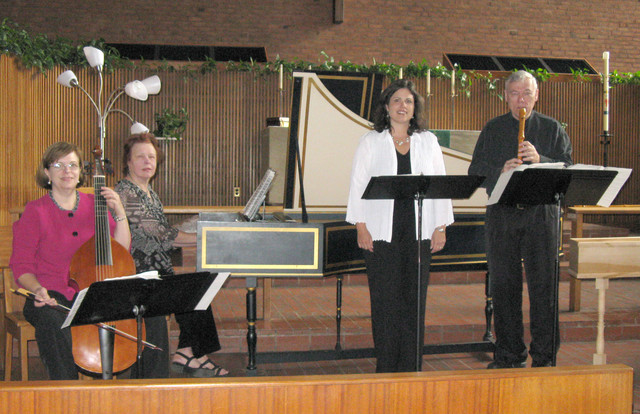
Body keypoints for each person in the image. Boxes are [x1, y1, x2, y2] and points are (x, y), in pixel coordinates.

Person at [346, 79, 454, 373]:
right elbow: (357, 184)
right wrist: (361, 226)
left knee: (414, 301)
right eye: (396, 100)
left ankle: (411, 365)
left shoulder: (428, 141)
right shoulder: (371, 141)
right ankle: (387, 365)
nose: (402, 106)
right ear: (386, 107)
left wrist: (440, 225)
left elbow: (439, 184)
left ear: (414, 107)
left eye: (408, 101)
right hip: (381, 233)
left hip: (419, 231)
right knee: (385, 301)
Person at [468, 70, 573, 369]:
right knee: (504, 287)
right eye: (514, 93)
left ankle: (544, 356)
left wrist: (542, 161)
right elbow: (475, 170)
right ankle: (509, 354)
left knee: (544, 289)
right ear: (506, 96)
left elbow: (568, 168)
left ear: (537, 95)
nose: (521, 100)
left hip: (542, 215)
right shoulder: (493, 128)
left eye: (526, 93)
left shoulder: (552, 129)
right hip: (503, 214)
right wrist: (500, 171)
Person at [10, 142, 131, 380]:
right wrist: (37, 290)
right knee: (52, 319)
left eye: (72, 165)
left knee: (148, 316)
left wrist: (119, 211)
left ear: (80, 173)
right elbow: (21, 265)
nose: (67, 171)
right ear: (47, 172)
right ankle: (66, 392)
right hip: (49, 294)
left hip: (90, 292)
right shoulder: (36, 211)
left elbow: (121, 249)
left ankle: (145, 394)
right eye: (59, 165)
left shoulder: (95, 206)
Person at [115, 133, 228, 378]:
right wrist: (206, 236)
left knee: (199, 288)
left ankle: (189, 353)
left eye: (152, 157)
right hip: (137, 276)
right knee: (196, 290)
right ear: (129, 162)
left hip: (158, 272)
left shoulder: (148, 192)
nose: (147, 161)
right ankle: (192, 355)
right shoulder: (125, 192)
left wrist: (199, 231)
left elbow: (163, 231)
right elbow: (158, 232)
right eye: (141, 157)